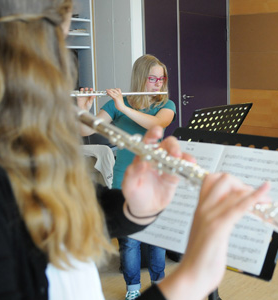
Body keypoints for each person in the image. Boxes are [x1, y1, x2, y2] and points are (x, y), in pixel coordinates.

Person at [0, 1, 271, 300]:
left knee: (149, 243)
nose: (64, 68)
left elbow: (81, 204)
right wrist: (191, 279)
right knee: (130, 246)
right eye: (58, 47)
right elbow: (88, 130)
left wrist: (135, 209)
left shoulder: (28, 150)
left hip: (132, 182)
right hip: (120, 171)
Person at [77, 54, 176, 300]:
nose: (158, 83)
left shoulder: (166, 105)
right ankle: (132, 289)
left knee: (157, 237)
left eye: (161, 79)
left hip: (155, 179)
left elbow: (157, 126)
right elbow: (86, 129)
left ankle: (159, 284)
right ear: (141, 78)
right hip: (124, 178)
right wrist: (82, 110)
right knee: (130, 241)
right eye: (152, 78)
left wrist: (123, 107)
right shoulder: (116, 104)